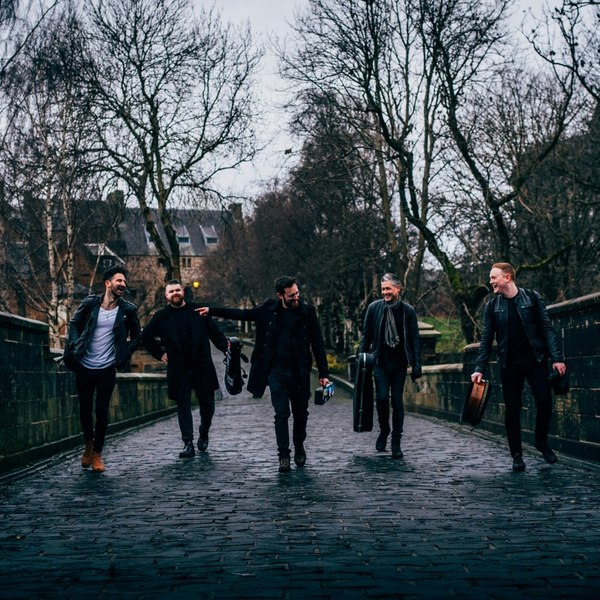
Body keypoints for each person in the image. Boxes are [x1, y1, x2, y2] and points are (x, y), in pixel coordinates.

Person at [198, 276, 330, 473]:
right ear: (280, 296)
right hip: (276, 371)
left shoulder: (307, 312)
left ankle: (299, 446)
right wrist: (211, 310)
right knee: (281, 413)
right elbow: (242, 314)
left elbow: (318, 343)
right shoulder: (268, 310)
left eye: (297, 294)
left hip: (300, 371)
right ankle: (283, 455)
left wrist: (324, 373)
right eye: (291, 295)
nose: (296, 298)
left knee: (301, 413)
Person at [471, 262, 567, 472]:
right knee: (512, 409)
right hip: (509, 365)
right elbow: (486, 340)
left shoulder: (532, 297)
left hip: (536, 361)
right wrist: (479, 368)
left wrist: (557, 358)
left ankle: (540, 441)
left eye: (494, 277)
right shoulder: (492, 307)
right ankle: (516, 454)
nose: (490, 281)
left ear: (507, 277)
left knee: (544, 403)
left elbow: (547, 329)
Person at [65, 266, 141, 473]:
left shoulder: (128, 310)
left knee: (101, 410)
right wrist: (75, 344)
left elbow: (137, 336)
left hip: (107, 368)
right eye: (119, 281)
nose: (123, 284)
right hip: (84, 366)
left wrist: (125, 353)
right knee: (85, 410)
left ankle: (97, 454)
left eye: (124, 281)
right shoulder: (90, 303)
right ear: (108, 283)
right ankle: (88, 445)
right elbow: (73, 325)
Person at [142, 280, 228, 458]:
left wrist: (227, 350)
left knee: (208, 405)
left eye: (177, 290)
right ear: (166, 295)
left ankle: (204, 431)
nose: (175, 293)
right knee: (183, 405)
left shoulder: (198, 310)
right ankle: (188, 442)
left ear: (183, 292)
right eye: (171, 291)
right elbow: (146, 337)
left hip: (202, 365)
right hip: (178, 368)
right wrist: (159, 354)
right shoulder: (161, 316)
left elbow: (215, 333)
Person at [358, 273, 422, 459]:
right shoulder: (374, 308)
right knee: (382, 399)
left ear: (397, 289)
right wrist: (361, 358)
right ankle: (384, 429)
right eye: (383, 289)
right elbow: (366, 336)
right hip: (380, 362)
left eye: (388, 289)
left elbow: (415, 340)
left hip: (399, 363)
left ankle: (396, 441)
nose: (385, 292)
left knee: (397, 401)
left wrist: (417, 366)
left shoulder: (408, 311)